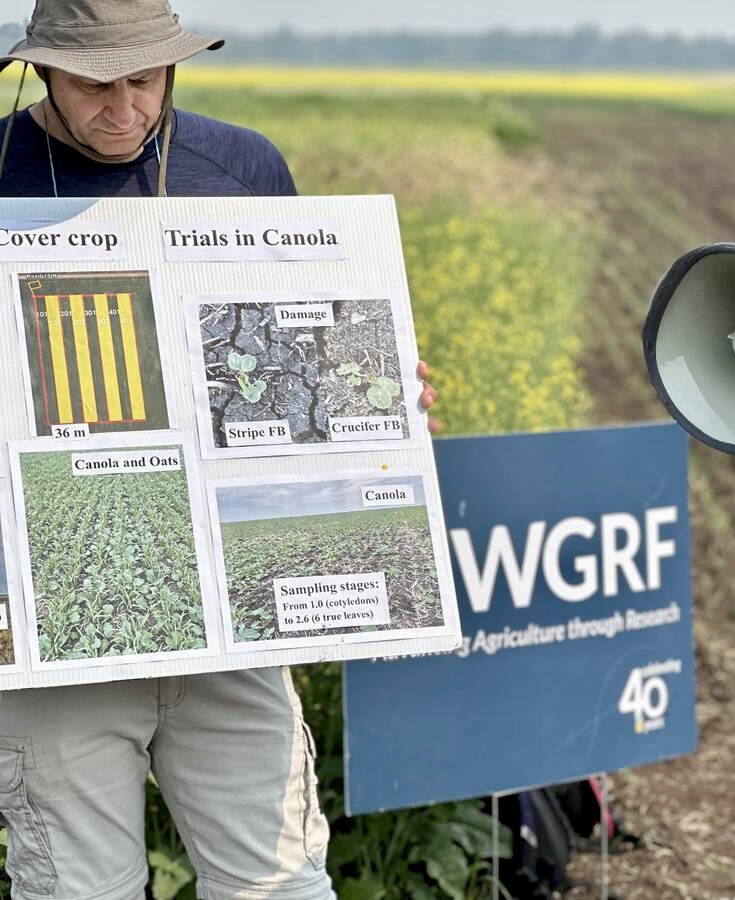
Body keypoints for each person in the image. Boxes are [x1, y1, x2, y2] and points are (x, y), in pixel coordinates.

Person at [0, 1, 438, 897]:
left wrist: (373, 392)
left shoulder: (244, 167)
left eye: (144, 80)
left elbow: (300, 359)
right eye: (93, 85)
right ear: (42, 71)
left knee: (280, 885)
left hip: (231, 632)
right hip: (55, 633)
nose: (123, 108)